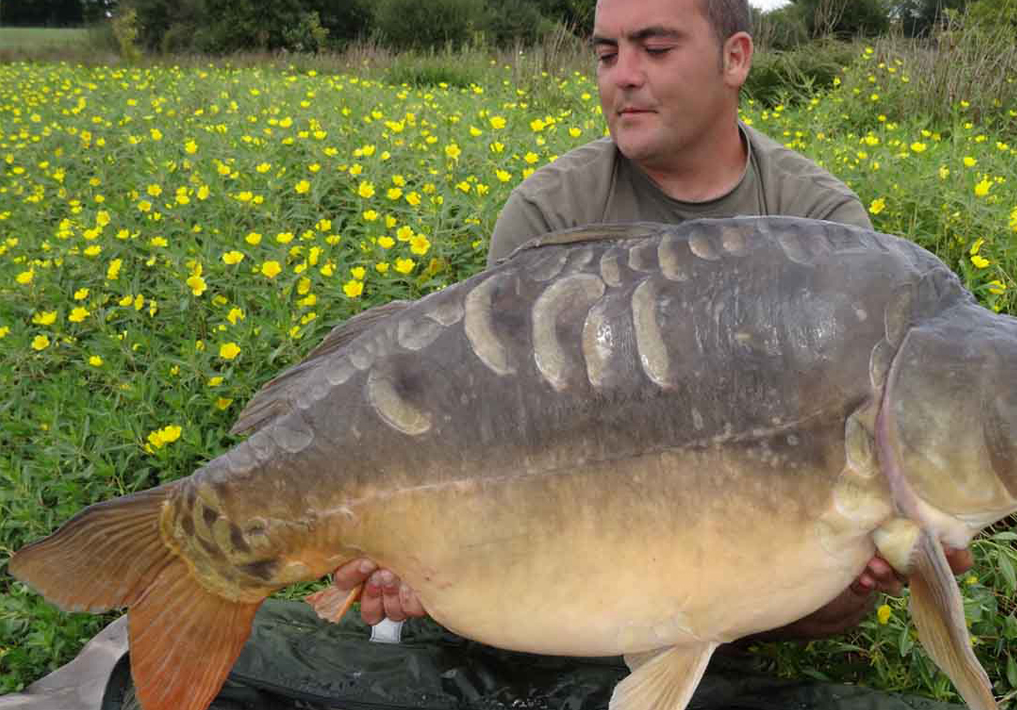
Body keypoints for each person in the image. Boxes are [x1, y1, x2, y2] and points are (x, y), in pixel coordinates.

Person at [333, 0, 972, 645]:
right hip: (580, 524)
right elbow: (493, 422)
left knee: (848, 567)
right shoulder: (549, 212)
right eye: (607, 54)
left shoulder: (822, 225)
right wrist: (421, 543)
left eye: (655, 49)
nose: (623, 76)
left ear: (735, 58)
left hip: (763, 528)